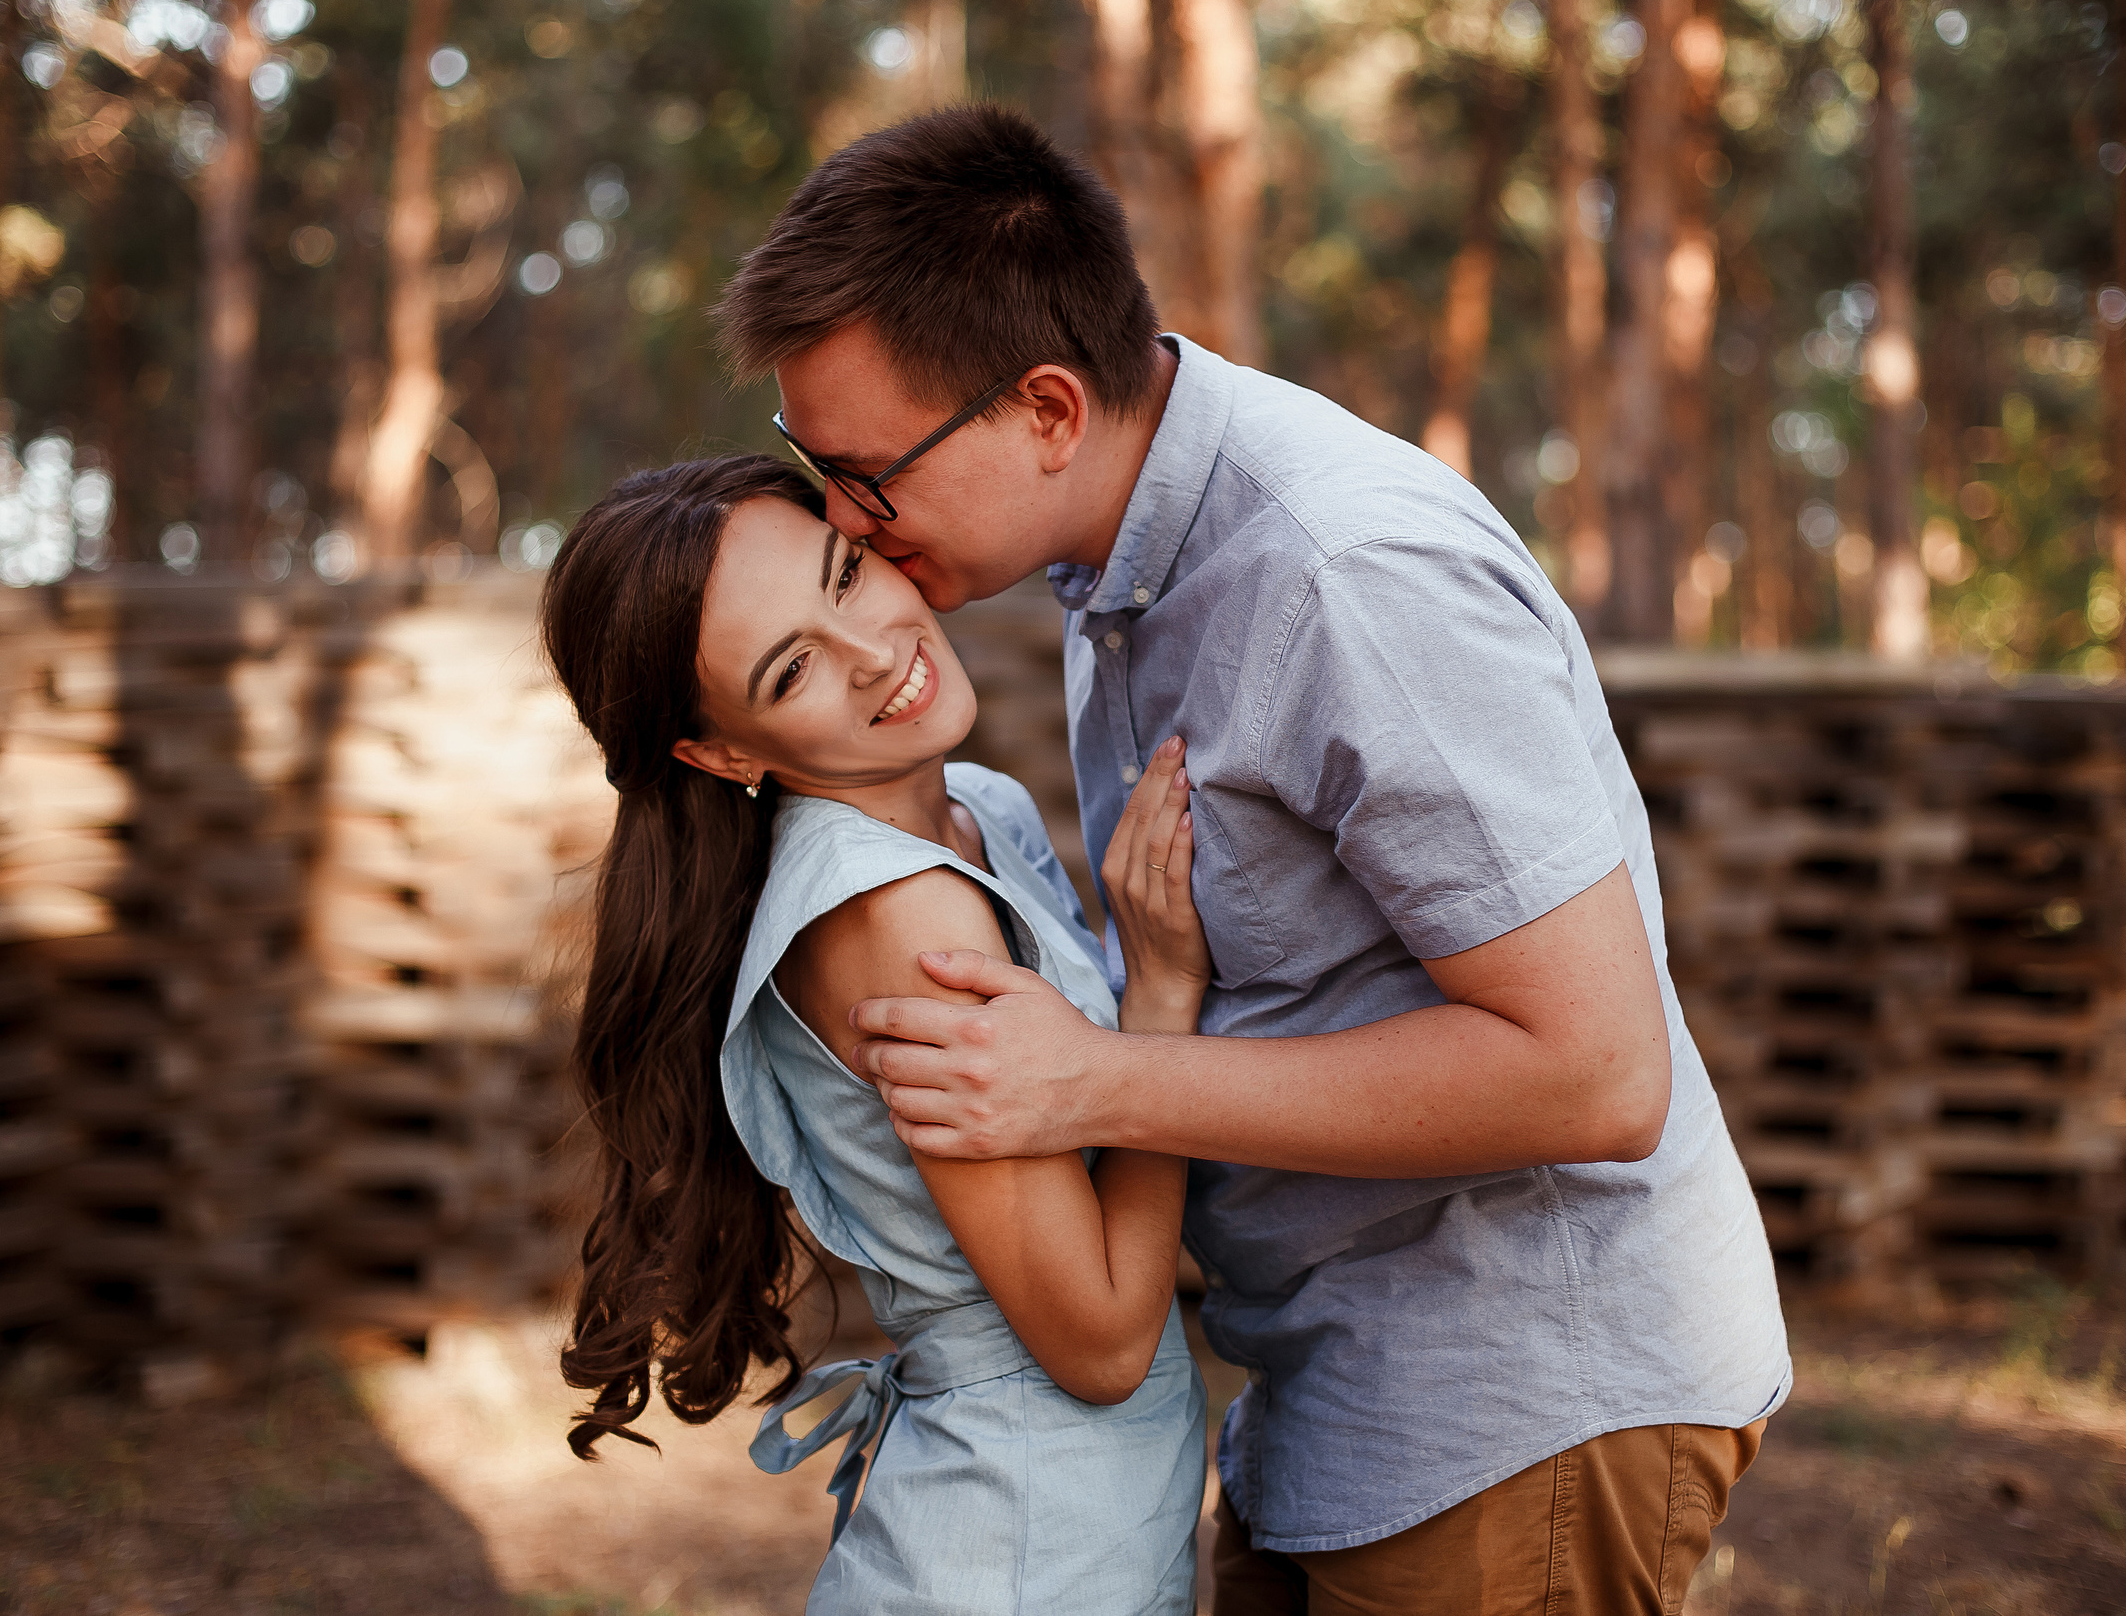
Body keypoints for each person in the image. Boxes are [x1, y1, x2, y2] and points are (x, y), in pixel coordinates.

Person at [715, 105, 1793, 1613]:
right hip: (1332, 1387)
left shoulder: (1344, 578)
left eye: (865, 475)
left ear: (1043, 409)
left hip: (1515, 1400)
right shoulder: (1121, 577)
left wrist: (1099, 1077)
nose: (846, 522)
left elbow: (1598, 1076)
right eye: (810, 469)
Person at [540, 454, 1215, 1615]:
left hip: (1055, 1524)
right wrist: (1157, 1011)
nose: (874, 652)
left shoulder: (976, 812)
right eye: (792, 666)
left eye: (846, 575)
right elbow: (1098, 1344)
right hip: (1018, 1549)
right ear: (722, 752)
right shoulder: (897, 917)